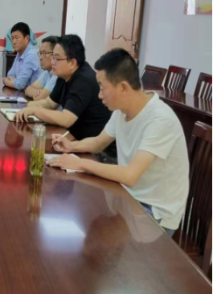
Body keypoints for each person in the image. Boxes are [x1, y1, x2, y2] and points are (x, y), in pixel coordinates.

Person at [47, 48, 189, 235]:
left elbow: (130, 175)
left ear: (123, 88)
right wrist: (71, 146)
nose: (99, 95)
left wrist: (80, 163)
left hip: (154, 212)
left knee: (93, 231)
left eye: (102, 87)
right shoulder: (122, 110)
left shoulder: (160, 120)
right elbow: (98, 143)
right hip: (128, 196)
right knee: (83, 213)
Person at [16, 34, 116, 159]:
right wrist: (27, 107)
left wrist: (35, 111)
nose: (52, 62)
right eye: (52, 57)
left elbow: (66, 119)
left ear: (72, 63)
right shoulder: (63, 75)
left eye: (57, 58)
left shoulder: (83, 80)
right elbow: (50, 103)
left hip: (99, 152)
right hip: (76, 141)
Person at [2, 22, 41, 90]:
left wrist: (5, 81)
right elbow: (10, 75)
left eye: (17, 38)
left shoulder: (31, 55)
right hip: (22, 92)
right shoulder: (19, 53)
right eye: (12, 38)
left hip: (33, 94)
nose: (14, 42)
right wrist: (15, 82)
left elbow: (19, 84)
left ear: (27, 38)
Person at [24, 36, 58, 101]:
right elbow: (28, 89)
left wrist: (41, 94)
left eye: (44, 53)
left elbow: (40, 98)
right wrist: (39, 92)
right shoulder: (47, 73)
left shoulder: (57, 75)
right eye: (40, 53)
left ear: (54, 55)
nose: (40, 58)